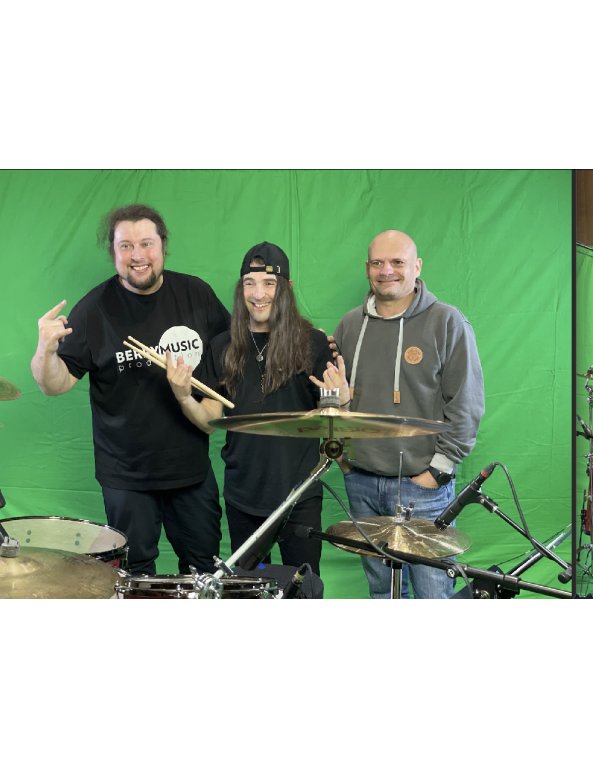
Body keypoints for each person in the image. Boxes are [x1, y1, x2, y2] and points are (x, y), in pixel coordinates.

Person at [31, 204, 229, 575]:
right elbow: (55, 385)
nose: (137, 255)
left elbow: (231, 354)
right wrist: (46, 349)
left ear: (163, 245)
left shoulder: (196, 294)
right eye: (125, 246)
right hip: (126, 475)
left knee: (203, 569)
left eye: (146, 243)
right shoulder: (94, 309)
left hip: (190, 469)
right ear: (113, 252)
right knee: (134, 574)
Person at [165, 242, 347, 576]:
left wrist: (341, 399)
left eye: (269, 283)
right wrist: (183, 396)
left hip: (299, 495)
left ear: (287, 288)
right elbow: (208, 420)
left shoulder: (313, 343)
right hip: (243, 495)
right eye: (249, 283)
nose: (258, 294)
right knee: (249, 588)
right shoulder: (223, 346)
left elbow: (331, 422)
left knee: (302, 589)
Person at [333, 229, 485, 599]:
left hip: (422, 487)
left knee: (433, 592)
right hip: (361, 482)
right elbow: (335, 396)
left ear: (417, 267)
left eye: (397, 262)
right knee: (382, 591)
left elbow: (466, 403)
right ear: (367, 268)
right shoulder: (350, 325)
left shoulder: (447, 322)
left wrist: (437, 471)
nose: (387, 270)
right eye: (377, 262)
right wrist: (345, 459)